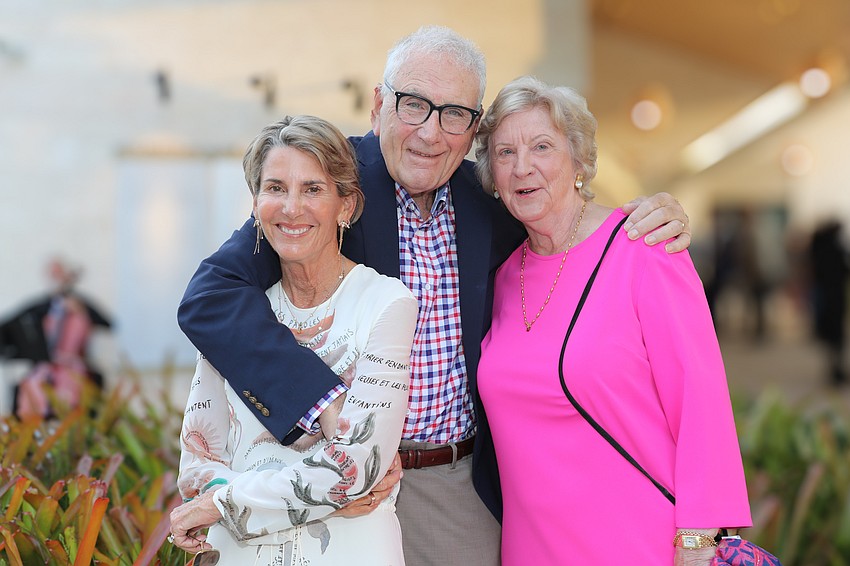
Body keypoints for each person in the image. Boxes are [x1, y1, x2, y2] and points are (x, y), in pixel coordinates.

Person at [176, 26, 693, 566]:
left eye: (454, 115)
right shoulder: (330, 188)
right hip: (335, 482)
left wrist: (642, 215)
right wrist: (321, 402)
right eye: (414, 105)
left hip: (454, 489)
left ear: (473, 131)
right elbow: (209, 298)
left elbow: (564, 227)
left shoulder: (490, 202)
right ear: (379, 105)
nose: (430, 132)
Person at [474, 76, 752, 565]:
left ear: (579, 160)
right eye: (504, 152)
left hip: (639, 541)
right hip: (532, 548)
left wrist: (697, 541)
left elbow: (701, 403)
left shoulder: (645, 247)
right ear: (492, 176)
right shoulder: (499, 275)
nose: (523, 168)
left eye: (542, 146)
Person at [169, 115, 418, 565]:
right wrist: (322, 490)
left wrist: (225, 503)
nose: (291, 207)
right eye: (276, 188)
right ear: (256, 203)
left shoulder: (386, 303)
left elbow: (356, 466)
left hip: (351, 550)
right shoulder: (237, 316)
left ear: (346, 207)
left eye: (312, 189)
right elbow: (197, 463)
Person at [0, 258, 112, 418]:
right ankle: (29, 426)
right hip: (45, 362)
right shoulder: (42, 304)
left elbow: (108, 323)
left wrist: (83, 311)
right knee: (29, 384)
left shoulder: (81, 303)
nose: (56, 278)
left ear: (66, 274)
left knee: (77, 384)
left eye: (59, 273)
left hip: (73, 362)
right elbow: (9, 323)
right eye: (53, 274)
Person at [807, 219, 849, 386]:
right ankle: (836, 370)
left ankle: (834, 369)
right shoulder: (833, 248)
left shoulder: (818, 247)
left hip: (825, 296)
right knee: (836, 336)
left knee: (831, 337)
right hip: (834, 297)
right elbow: (844, 269)